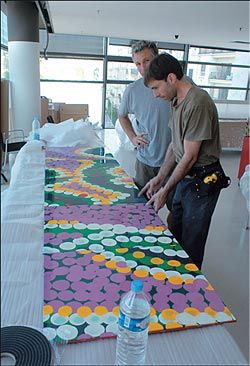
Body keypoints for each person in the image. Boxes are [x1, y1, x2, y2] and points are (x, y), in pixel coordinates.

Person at [140, 53, 230, 269]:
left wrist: (165, 191)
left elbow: (190, 157)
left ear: (171, 78)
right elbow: (175, 144)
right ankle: (172, 276)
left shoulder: (198, 103)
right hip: (186, 179)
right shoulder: (175, 100)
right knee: (174, 229)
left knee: (191, 244)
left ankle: (188, 291)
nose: (155, 95)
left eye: (156, 88)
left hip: (202, 181)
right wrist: (160, 177)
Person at [118, 40, 172, 199]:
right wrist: (133, 137)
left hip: (172, 160)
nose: (143, 68)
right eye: (138, 64)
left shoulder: (173, 84)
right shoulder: (132, 90)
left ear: (157, 58)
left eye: (147, 61)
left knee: (175, 211)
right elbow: (122, 116)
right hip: (145, 160)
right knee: (141, 205)